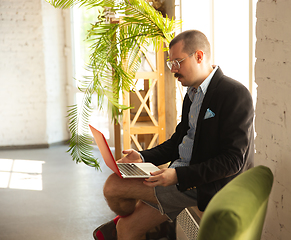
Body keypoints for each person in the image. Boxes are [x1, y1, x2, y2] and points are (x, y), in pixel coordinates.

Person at [93, 29, 254, 240]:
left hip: (206, 184)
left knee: (113, 186)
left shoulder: (234, 94)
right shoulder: (192, 94)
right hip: (180, 174)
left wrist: (178, 176)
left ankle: (154, 219)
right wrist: (142, 157)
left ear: (199, 56)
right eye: (171, 64)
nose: (173, 70)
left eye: (178, 62)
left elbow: (233, 161)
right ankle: (148, 221)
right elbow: (178, 141)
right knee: (126, 229)